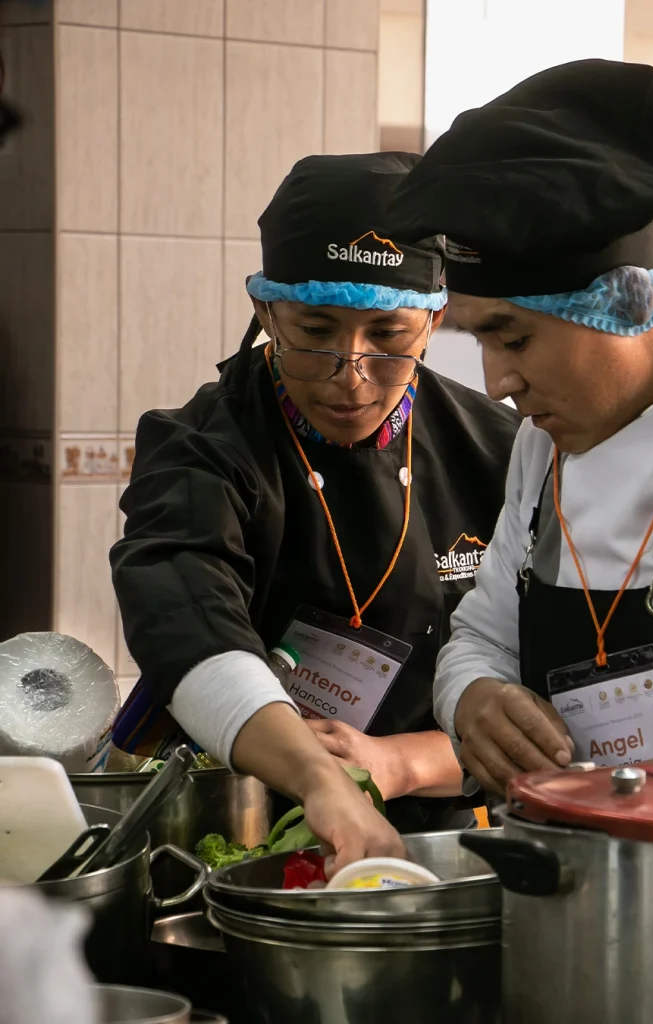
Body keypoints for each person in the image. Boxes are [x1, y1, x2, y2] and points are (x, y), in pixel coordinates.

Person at [390, 56, 653, 1005]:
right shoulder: (545, 445)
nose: (496, 384)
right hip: (584, 918)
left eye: (511, 338)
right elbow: (480, 634)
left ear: (619, 303)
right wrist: (471, 703)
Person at [109, 151, 520, 868]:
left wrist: (400, 763)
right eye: (314, 333)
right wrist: (321, 778)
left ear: (433, 319)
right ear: (265, 310)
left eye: (387, 338)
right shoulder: (203, 447)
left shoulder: (503, 452)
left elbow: (539, 685)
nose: (350, 377)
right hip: (236, 820)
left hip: (442, 831)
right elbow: (187, 625)